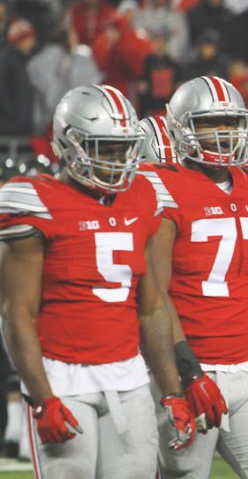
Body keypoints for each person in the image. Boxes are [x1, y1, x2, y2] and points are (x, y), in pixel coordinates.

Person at [0, 84, 195, 478]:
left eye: (123, 147)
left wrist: (171, 390)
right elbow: (16, 312)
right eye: (104, 147)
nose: (116, 159)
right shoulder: (34, 201)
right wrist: (42, 398)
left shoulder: (142, 196)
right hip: (62, 376)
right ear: (68, 143)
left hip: (129, 377)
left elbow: (152, 306)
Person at [138, 76, 248, 478]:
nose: (223, 135)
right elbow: (155, 296)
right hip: (189, 368)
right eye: (209, 124)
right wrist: (188, 373)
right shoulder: (161, 185)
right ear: (181, 129)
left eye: (231, 124)